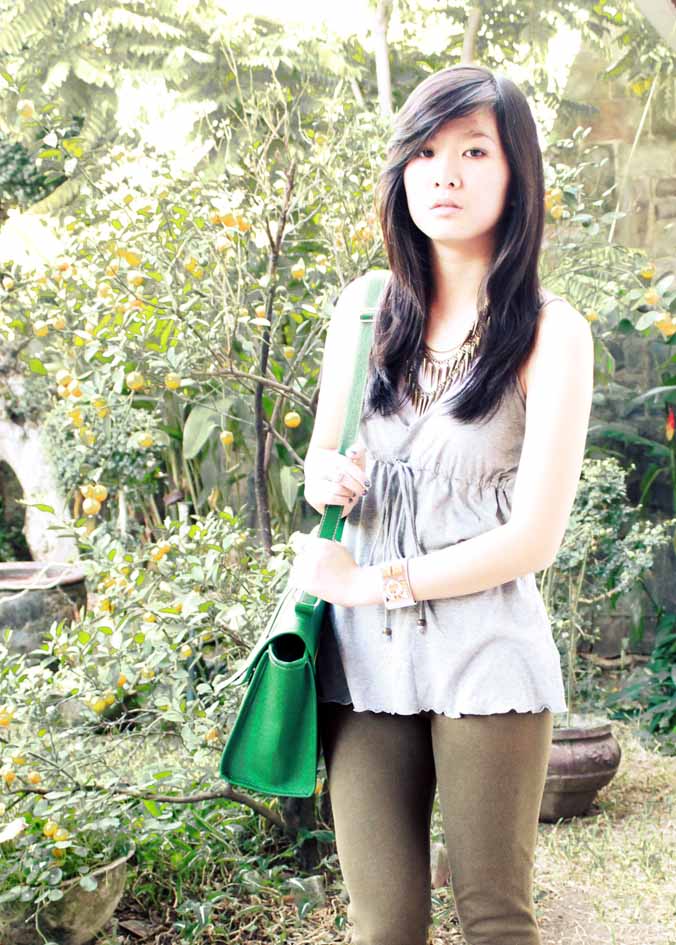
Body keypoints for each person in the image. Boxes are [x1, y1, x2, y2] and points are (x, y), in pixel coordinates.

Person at [290, 64, 594, 945]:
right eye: (424, 153)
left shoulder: (552, 332)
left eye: (473, 151)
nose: (444, 175)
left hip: (487, 656)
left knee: (494, 917)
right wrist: (325, 478)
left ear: (517, 173)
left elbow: (534, 537)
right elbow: (321, 457)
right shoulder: (364, 309)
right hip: (364, 665)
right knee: (383, 925)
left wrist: (372, 583)